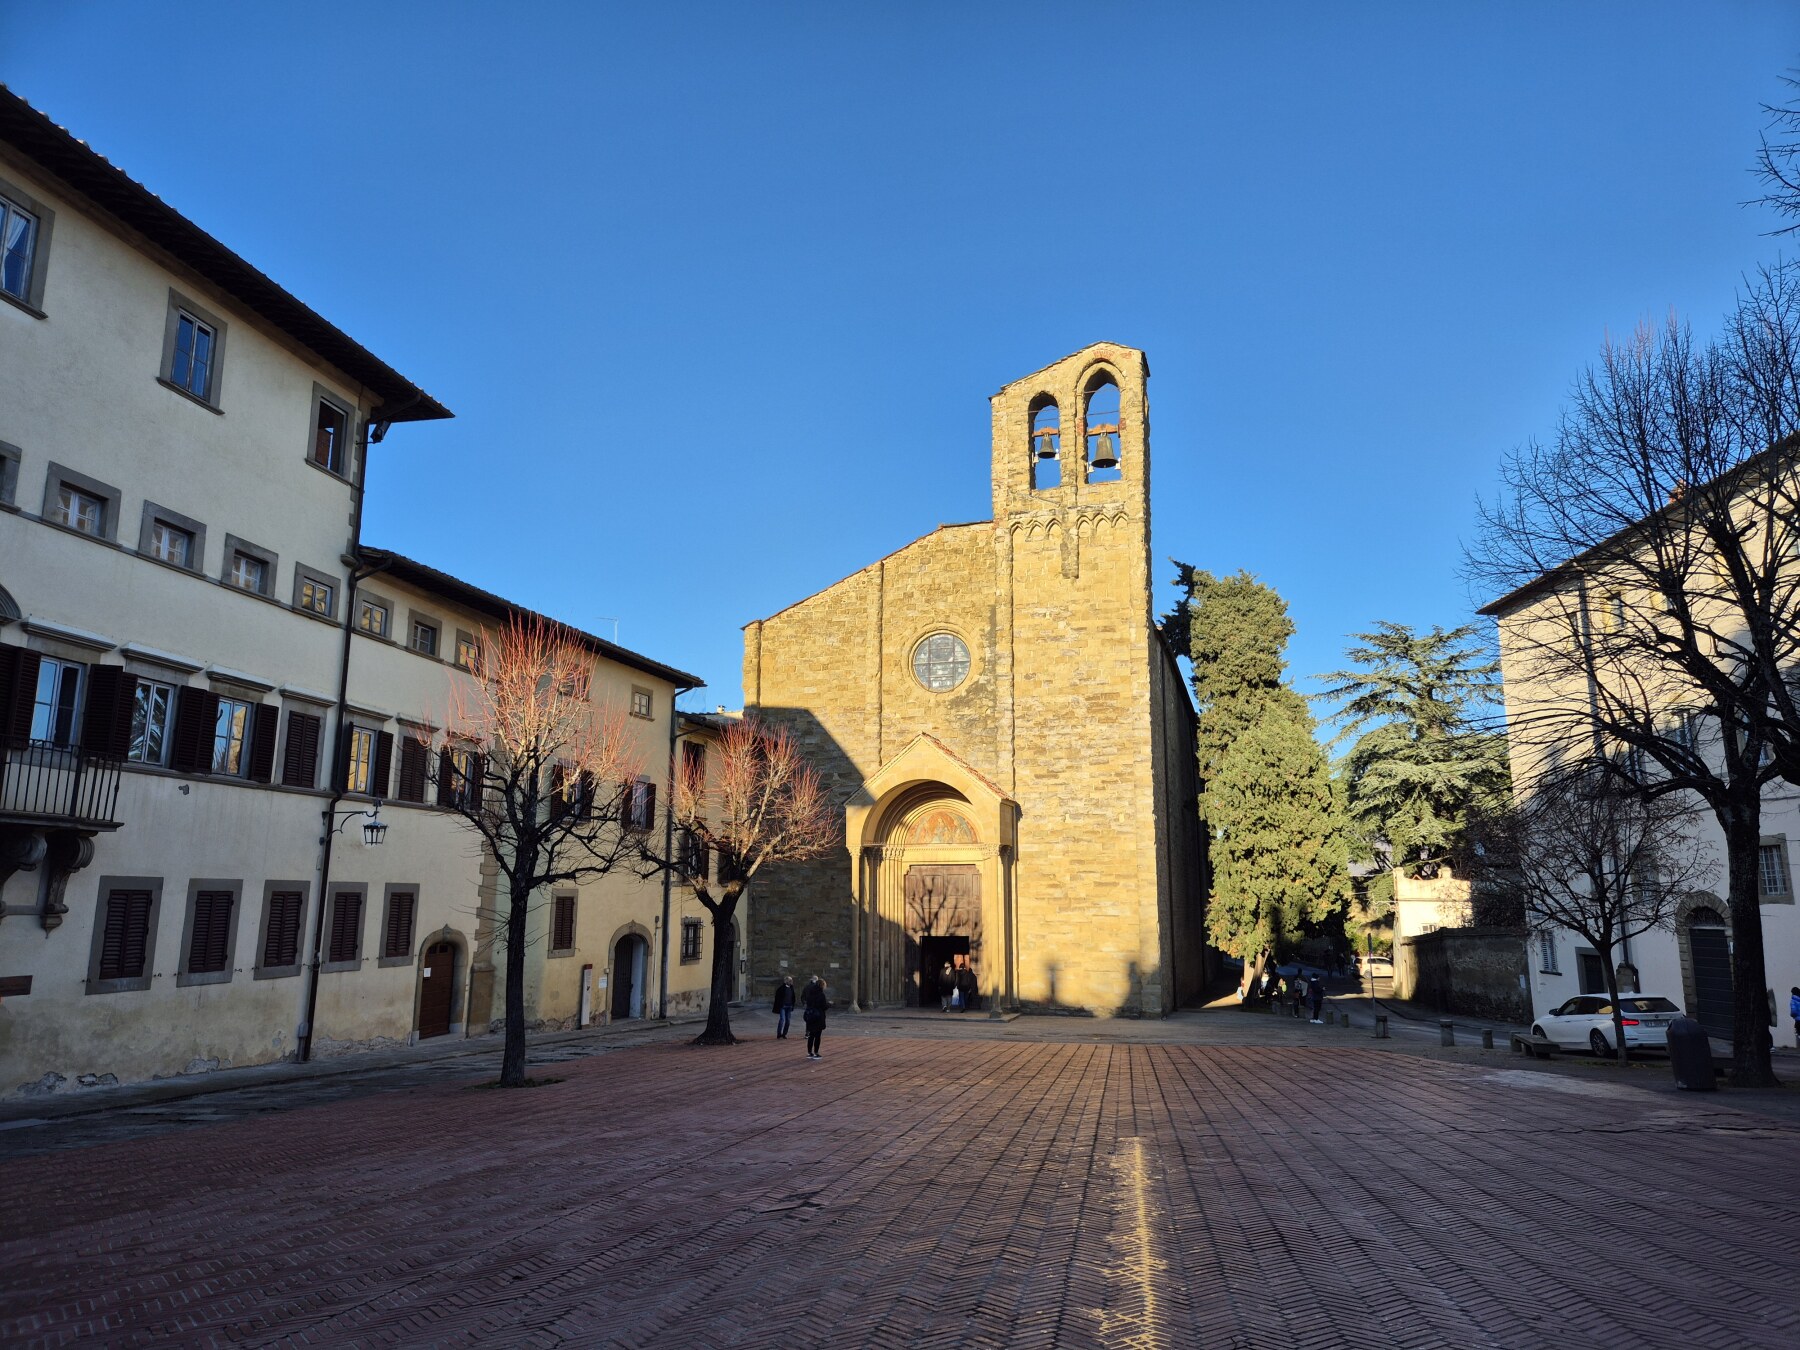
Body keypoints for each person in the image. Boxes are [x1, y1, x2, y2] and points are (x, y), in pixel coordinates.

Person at [801, 975, 830, 1059]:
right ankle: (816, 1052)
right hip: (818, 1016)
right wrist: (829, 1004)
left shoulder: (810, 993)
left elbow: (808, 1002)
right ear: (822, 985)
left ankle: (809, 1052)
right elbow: (824, 1006)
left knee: (811, 1035)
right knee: (817, 1035)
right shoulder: (821, 995)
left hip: (810, 1015)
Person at [772, 975, 796, 1039]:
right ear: (786, 981)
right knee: (782, 1020)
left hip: (789, 1006)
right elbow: (777, 998)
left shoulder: (791, 988)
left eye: (791, 980)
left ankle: (784, 1034)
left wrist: (792, 1005)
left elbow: (793, 997)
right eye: (789, 980)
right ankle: (779, 1034)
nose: (791, 981)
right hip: (783, 1006)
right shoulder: (781, 989)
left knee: (788, 1021)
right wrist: (780, 1004)